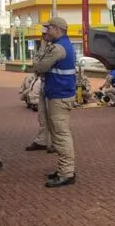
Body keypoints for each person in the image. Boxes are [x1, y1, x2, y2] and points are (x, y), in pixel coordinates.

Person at [32, 16, 78, 188]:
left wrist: (41, 53)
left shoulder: (58, 48)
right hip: (59, 95)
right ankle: (64, 169)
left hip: (59, 96)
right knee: (59, 134)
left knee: (61, 135)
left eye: (49, 28)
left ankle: (67, 173)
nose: (46, 31)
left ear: (58, 29)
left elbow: (39, 67)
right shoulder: (63, 45)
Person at [25, 26, 57, 154]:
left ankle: (54, 143)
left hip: (52, 85)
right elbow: (36, 63)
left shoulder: (55, 48)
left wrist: (38, 66)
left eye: (46, 33)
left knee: (54, 118)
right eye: (43, 34)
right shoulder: (44, 47)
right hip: (44, 83)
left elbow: (41, 65)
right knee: (42, 116)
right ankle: (42, 141)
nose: (44, 36)